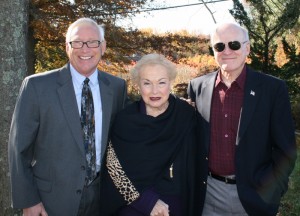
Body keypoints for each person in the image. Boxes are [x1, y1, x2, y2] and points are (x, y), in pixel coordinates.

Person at [8, 17, 128, 216]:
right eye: (77, 42)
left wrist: (172, 105)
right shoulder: (37, 87)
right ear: (67, 47)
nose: (85, 49)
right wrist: (29, 201)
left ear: (103, 46)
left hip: (103, 199)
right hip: (51, 201)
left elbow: (127, 131)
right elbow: (18, 149)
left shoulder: (116, 87)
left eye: (92, 42)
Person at [187, 22, 297, 216]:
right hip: (208, 195)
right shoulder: (197, 87)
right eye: (219, 46)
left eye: (234, 45)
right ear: (213, 51)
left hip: (255, 197)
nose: (227, 51)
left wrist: (272, 189)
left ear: (247, 48)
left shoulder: (272, 89)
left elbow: (286, 149)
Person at [99, 53, 202, 216]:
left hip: (176, 205)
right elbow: (114, 170)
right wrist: (147, 202)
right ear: (138, 85)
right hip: (133, 204)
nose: (155, 90)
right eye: (147, 83)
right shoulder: (125, 121)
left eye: (161, 82)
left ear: (170, 84)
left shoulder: (185, 115)